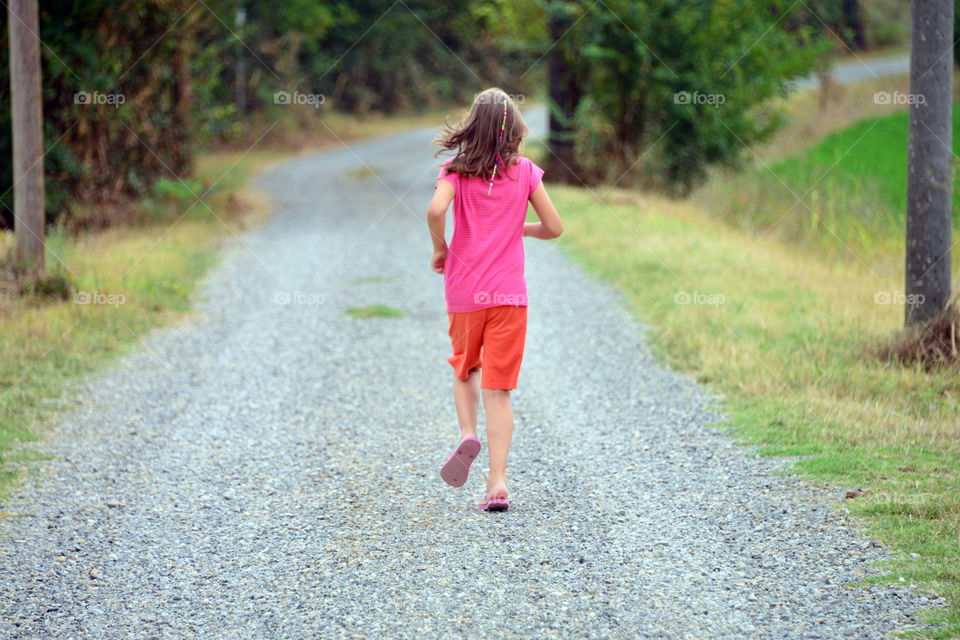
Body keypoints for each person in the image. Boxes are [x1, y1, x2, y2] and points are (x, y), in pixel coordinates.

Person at [425, 87, 564, 512]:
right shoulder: (525, 172)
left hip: (465, 293)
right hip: (509, 296)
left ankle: (468, 433)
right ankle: (497, 482)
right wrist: (516, 229)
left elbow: (435, 211)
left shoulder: (454, 170)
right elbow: (554, 227)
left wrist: (440, 247)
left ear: (472, 127)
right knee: (499, 391)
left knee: (465, 368)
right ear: (515, 130)